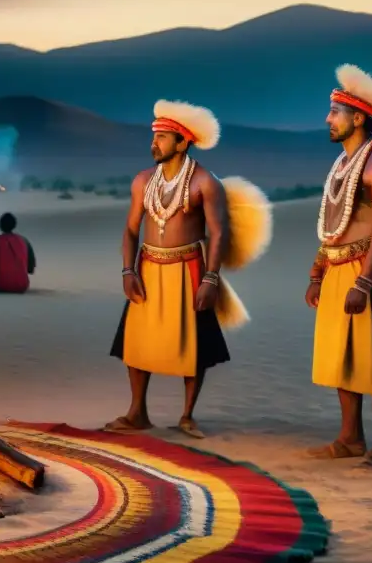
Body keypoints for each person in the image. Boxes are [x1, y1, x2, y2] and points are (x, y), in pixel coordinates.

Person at [107, 99, 268, 439]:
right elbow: (131, 229)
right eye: (154, 137)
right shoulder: (142, 181)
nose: (154, 144)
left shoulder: (205, 183)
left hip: (189, 269)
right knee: (135, 342)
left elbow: (219, 232)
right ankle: (137, 412)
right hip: (149, 267)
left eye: (163, 138)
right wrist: (127, 270)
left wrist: (211, 277)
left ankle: (187, 415)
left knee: (194, 344)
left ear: (183, 142)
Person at [306, 64, 372, 472]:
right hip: (339, 269)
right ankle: (350, 438)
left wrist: (364, 281)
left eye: (335, 112)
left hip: (370, 271)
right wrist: (317, 270)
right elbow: (334, 222)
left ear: (358, 118)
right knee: (343, 358)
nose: (327, 119)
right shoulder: (343, 163)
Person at [0, 212, 35, 293]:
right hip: (22, 285)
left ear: (0, 226)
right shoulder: (24, 240)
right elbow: (31, 267)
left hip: (2, 284)